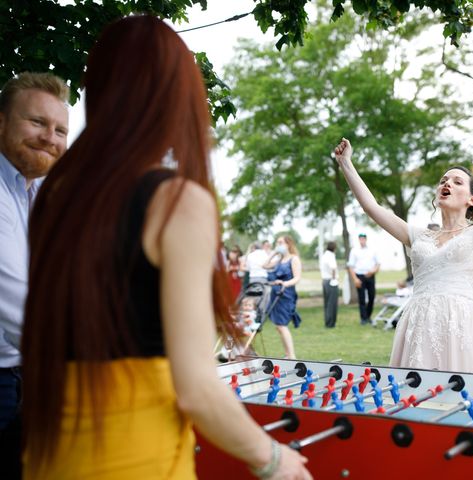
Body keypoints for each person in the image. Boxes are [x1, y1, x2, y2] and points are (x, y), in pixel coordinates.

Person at [20, 16, 310, 480]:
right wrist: (276, 460)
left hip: (51, 455)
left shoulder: (56, 195)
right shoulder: (177, 201)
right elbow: (195, 387)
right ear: (177, 96)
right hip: (136, 458)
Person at [334, 96, 473, 372]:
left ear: (472, 199)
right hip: (417, 322)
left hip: (459, 324)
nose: (447, 183)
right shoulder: (418, 235)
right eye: (444, 180)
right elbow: (372, 207)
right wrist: (346, 164)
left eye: (457, 182)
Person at [0, 71, 69, 479]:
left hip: (24, 373)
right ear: (2, 122)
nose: (50, 138)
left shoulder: (36, 192)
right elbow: (18, 307)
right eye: (37, 122)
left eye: (60, 129)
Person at [265, 236, 302, 359]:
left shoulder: (294, 259)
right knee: (278, 326)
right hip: (275, 294)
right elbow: (265, 265)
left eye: (281, 242)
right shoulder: (279, 259)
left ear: (288, 244)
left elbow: (297, 277)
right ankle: (287, 354)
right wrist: (273, 253)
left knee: (282, 325)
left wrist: (284, 283)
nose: (278, 244)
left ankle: (292, 356)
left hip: (286, 294)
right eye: (277, 242)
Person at [347, 233, 380, 325]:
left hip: (370, 275)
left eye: (363, 239)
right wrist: (355, 279)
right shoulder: (354, 251)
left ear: (366, 239)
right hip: (359, 276)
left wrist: (373, 271)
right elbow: (350, 266)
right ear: (359, 240)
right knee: (361, 298)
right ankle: (363, 318)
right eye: (360, 239)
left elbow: (378, 264)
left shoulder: (372, 250)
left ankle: (368, 316)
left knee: (371, 296)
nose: (362, 240)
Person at [320, 241, 339, 328]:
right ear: (334, 248)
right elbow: (333, 268)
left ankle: (327, 322)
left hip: (324, 280)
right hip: (331, 281)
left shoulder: (324, 255)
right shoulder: (331, 256)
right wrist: (334, 278)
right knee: (332, 303)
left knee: (327, 303)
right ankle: (331, 323)